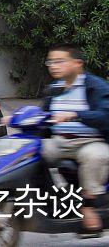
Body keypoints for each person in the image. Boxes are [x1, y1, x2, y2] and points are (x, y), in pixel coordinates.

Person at [41, 43, 109, 236]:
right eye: (50, 62)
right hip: (60, 141)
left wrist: (75, 114)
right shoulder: (54, 89)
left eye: (59, 61)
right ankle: (51, 200)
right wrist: (17, 117)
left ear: (77, 63)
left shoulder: (96, 87)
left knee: (95, 156)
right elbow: (42, 116)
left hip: (91, 141)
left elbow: (105, 116)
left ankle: (88, 207)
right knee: (32, 151)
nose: (54, 66)